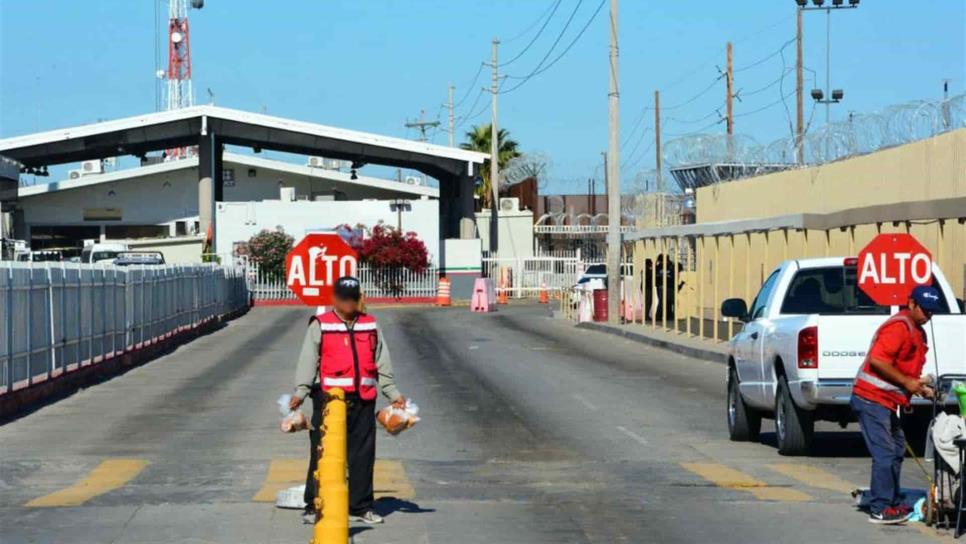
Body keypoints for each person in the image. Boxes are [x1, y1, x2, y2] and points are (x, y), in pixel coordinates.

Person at [289, 276, 406, 525]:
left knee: (362, 455)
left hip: (363, 400)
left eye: (353, 299)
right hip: (330, 401)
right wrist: (300, 392)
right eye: (344, 299)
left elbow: (382, 362)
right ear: (335, 299)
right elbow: (308, 360)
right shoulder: (321, 324)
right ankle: (314, 505)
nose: (349, 304)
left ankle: (360, 506)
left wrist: (393, 394)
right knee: (323, 453)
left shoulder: (370, 324)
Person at [850, 285, 941, 525]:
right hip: (870, 399)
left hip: (886, 401)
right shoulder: (899, 327)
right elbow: (878, 361)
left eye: (932, 311)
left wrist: (921, 388)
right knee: (885, 452)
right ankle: (880, 508)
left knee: (898, 448)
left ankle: (890, 498)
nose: (928, 315)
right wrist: (908, 383)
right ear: (911, 303)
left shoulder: (916, 331)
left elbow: (905, 372)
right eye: (925, 310)